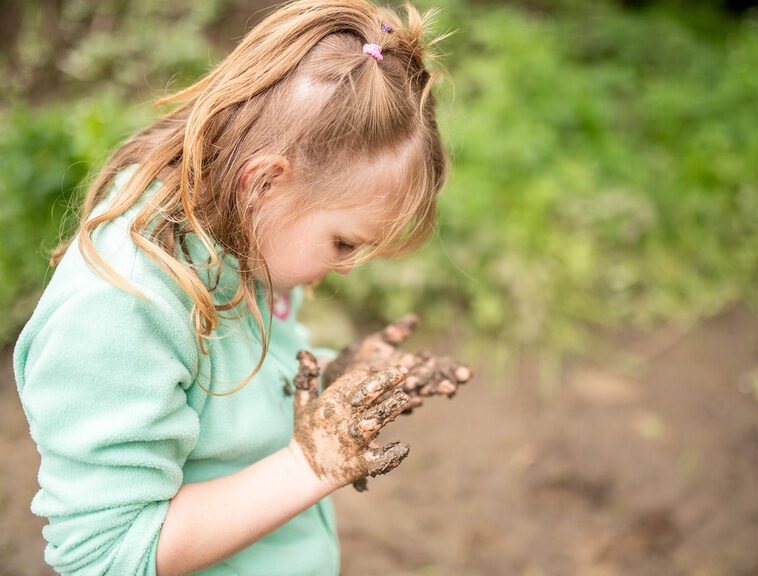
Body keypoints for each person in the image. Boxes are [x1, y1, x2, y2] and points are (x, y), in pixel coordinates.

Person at [12, 1, 469, 574]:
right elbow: (106, 553)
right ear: (264, 183)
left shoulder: (244, 237)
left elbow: (226, 398)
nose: (349, 267)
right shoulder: (121, 309)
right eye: (344, 243)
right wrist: (312, 464)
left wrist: (329, 376)